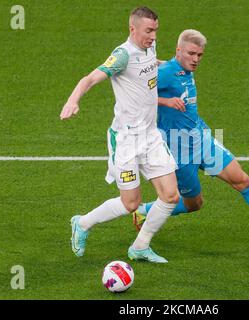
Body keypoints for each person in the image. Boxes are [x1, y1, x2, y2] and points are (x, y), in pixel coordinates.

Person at [133, 29, 249, 240]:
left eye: (200, 55)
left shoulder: (183, 68)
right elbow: (137, 96)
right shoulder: (167, 73)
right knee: (194, 204)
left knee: (242, 180)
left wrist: (158, 62)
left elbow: (170, 65)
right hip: (179, 149)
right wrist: (166, 101)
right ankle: (143, 211)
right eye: (191, 54)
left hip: (202, 140)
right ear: (179, 50)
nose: (196, 60)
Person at [60, 7, 180, 263]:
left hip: (151, 136)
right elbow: (89, 79)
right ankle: (82, 223)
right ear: (132, 29)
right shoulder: (122, 55)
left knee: (170, 195)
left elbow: (150, 66)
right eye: (149, 31)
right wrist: (73, 101)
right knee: (131, 204)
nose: (153, 36)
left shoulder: (150, 47)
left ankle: (140, 247)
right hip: (126, 140)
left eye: (156, 30)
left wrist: (170, 65)